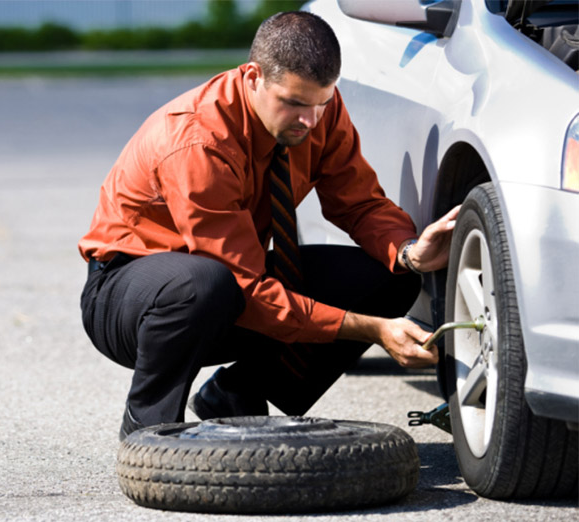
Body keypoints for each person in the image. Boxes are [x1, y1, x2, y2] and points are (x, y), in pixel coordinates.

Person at [79, 11, 459, 441]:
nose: (310, 121)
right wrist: (371, 329)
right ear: (253, 76)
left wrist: (409, 251)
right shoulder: (200, 141)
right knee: (203, 284)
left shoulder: (319, 112)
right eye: (294, 103)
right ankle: (148, 427)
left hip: (231, 280)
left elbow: (359, 203)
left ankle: (237, 393)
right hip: (133, 297)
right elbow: (244, 288)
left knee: (388, 278)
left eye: (321, 102)